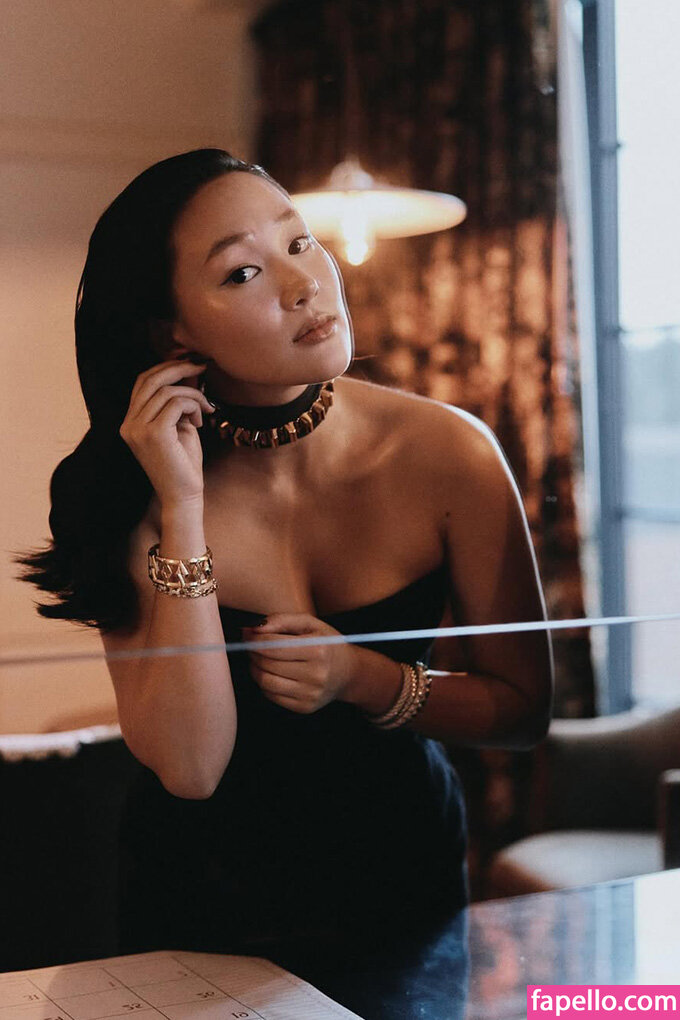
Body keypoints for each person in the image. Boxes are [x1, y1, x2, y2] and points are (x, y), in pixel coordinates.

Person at [17, 149, 553, 960]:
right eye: (242, 273)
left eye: (300, 242)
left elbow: (524, 712)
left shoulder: (452, 454)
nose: (304, 284)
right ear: (171, 329)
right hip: (198, 903)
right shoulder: (121, 488)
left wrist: (361, 678)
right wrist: (182, 508)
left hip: (402, 877)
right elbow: (191, 768)